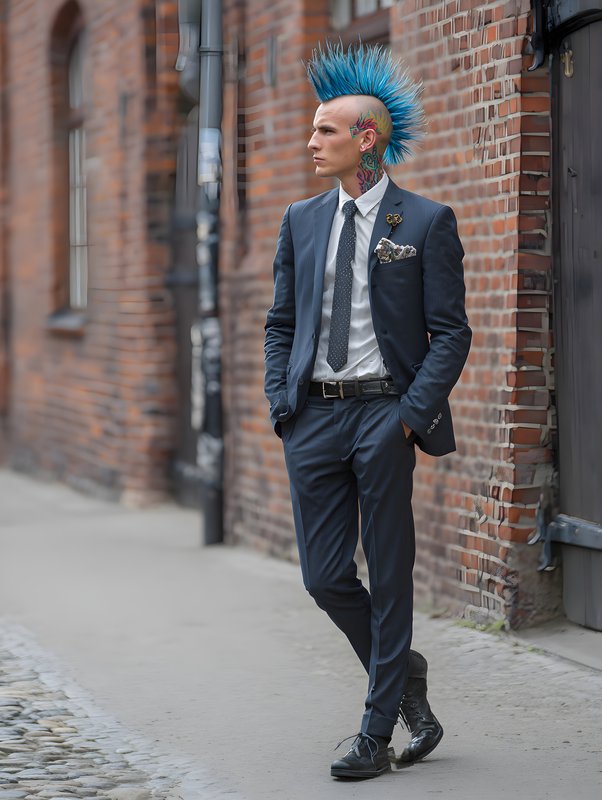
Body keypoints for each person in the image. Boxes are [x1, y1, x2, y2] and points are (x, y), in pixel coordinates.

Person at [264, 43, 471, 779]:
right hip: (313, 419)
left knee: (389, 571)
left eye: (324, 130)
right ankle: (405, 670)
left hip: (385, 416)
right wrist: (280, 403)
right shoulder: (301, 218)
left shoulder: (425, 223)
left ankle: (375, 731)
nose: (310, 142)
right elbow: (281, 321)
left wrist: (409, 417)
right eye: (312, 130)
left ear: (366, 139)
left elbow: (452, 331)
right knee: (324, 577)